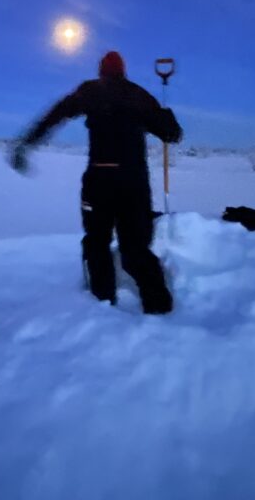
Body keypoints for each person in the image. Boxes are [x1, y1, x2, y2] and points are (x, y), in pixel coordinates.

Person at [9, 51, 182, 314]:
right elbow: (172, 135)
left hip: (99, 180)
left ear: (101, 71)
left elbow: (55, 115)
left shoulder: (90, 91)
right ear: (123, 71)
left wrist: (27, 143)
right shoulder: (139, 95)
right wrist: (166, 119)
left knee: (96, 243)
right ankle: (159, 308)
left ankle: (102, 307)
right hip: (133, 182)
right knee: (135, 249)